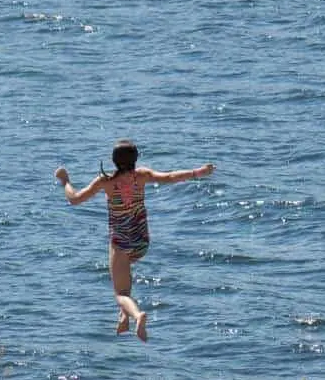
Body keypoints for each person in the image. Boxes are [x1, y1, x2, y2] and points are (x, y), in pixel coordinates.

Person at [54, 139, 215, 341]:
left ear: (114, 161)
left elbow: (75, 199)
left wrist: (65, 180)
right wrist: (198, 172)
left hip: (121, 243)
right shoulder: (142, 176)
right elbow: (170, 177)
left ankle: (137, 315)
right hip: (141, 241)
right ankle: (124, 317)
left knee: (121, 293)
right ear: (135, 159)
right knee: (124, 276)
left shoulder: (106, 182)